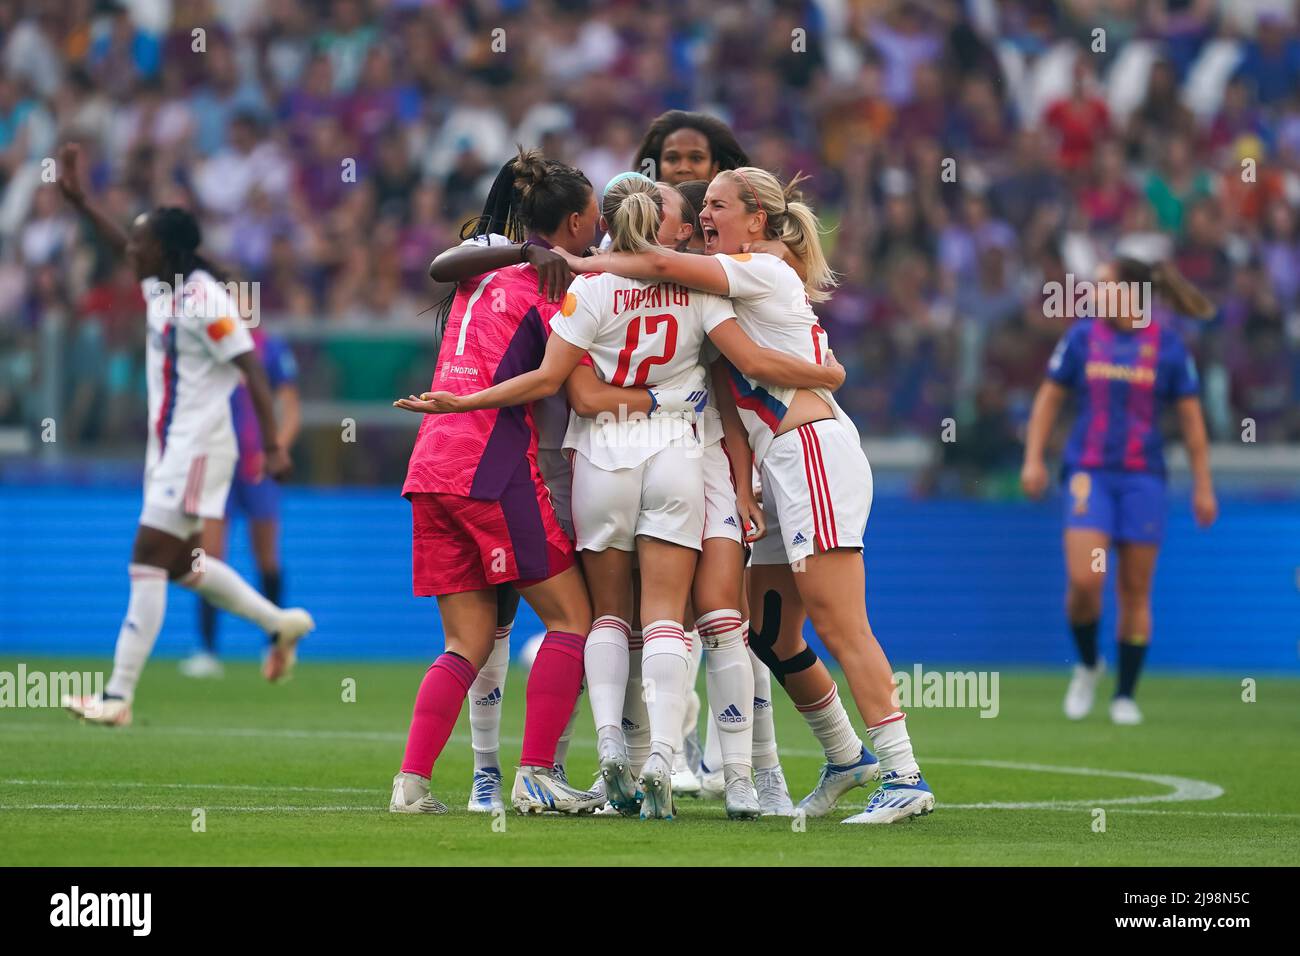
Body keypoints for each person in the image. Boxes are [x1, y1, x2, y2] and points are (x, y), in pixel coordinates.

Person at [399, 172, 843, 820]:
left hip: (561, 459)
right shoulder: (682, 287)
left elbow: (561, 383)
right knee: (661, 618)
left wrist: (459, 399)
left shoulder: (558, 284)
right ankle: (659, 762)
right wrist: (825, 372)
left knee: (532, 630)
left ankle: (478, 776)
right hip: (652, 453)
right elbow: (743, 361)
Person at [548, 166, 938, 824]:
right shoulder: (747, 267)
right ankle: (847, 757)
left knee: (842, 623)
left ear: (758, 218)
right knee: (771, 630)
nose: (707, 214)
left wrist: (581, 261)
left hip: (808, 450)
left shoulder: (759, 266)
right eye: (705, 207)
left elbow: (658, 264)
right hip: (778, 463)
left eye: (720, 205)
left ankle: (902, 773)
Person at [55, 143, 314, 726]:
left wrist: (272, 445)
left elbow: (249, 365)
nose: (132, 247)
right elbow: (116, 241)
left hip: (200, 446)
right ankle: (280, 623)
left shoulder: (204, 298)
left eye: (142, 242)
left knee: (146, 557)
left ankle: (118, 697)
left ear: (166, 251)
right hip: (170, 447)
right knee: (180, 564)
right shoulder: (160, 286)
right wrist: (79, 202)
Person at [388, 149, 607, 815]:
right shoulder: (552, 290)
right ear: (571, 223)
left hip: (430, 465)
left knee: (465, 642)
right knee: (574, 619)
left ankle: (411, 784)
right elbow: (579, 393)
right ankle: (537, 772)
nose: (598, 232)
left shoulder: (478, 278)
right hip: (490, 466)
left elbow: (443, 265)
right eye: (594, 220)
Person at [1021, 257, 1218, 725]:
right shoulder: (1082, 338)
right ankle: (1089, 663)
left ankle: (1125, 695)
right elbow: (1049, 399)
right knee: (1087, 581)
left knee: (1134, 589)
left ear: (1133, 292)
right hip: (1089, 472)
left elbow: (1192, 422)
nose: (1093, 292)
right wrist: (1033, 458)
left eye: (1105, 285)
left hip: (1143, 478)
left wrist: (1203, 485)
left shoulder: (1168, 347)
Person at [181, 330, 300, 681]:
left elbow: (291, 405)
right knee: (208, 556)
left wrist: (276, 449)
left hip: (255, 463)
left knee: (266, 557)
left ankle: (276, 645)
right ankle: (206, 650)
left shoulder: (270, 346)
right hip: (217, 461)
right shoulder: (208, 342)